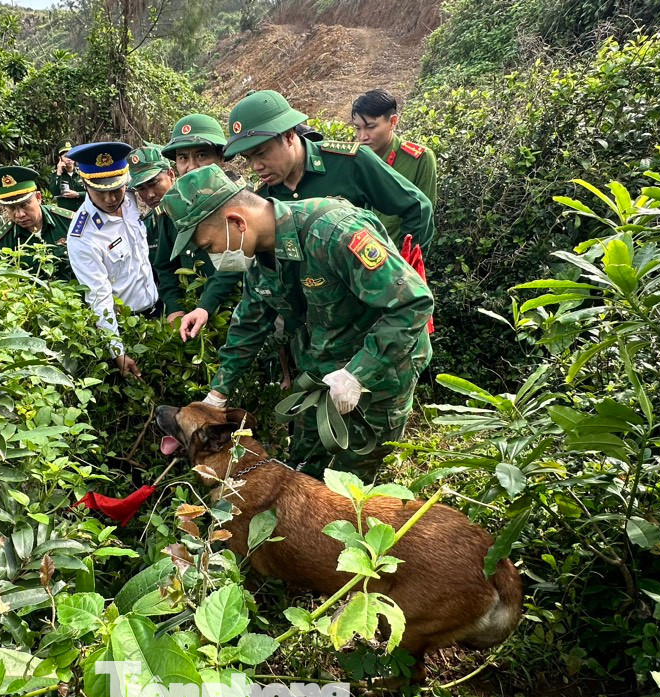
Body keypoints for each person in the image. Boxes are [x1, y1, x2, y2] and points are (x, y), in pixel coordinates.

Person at [160, 165, 433, 481]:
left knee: (349, 483)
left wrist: (357, 374)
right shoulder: (257, 254)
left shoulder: (334, 232)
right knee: (302, 470)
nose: (214, 256)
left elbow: (413, 303)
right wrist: (219, 392)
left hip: (379, 376)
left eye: (210, 246)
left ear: (237, 222)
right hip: (320, 373)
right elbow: (250, 322)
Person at [223, 90, 436, 273]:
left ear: (288, 136)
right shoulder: (263, 199)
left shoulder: (348, 163)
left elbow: (417, 207)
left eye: (262, 153)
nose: (256, 166)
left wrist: (402, 272)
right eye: (248, 158)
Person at [132, 141, 245, 342]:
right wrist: (175, 308)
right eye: (183, 158)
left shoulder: (239, 202)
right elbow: (165, 266)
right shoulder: (167, 214)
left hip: (238, 309)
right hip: (196, 313)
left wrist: (205, 305)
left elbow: (236, 259)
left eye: (202, 156)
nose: (191, 167)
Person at [65, 141, 159, 378]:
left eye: (116, 189)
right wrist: (118, 350)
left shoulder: (131, 199)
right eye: (100, 192)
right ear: (85, 185)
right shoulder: (82, 236)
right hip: (127, 328)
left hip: (159, 310)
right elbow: (98, 296)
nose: (110, 199)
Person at [350, 89, 438, 245]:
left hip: (398, 256)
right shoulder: (355, 159)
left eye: (370, 127)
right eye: (358, 128)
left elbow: (422, 218)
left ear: (393, 122)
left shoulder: (419, 159)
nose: (363, 137)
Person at [0, 165, 75, 279]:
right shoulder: (5, 240)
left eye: (24, 205)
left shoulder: (68, 222)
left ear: (38, 197)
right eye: (11, 208)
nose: (19, 214)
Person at [50, 140, 84, 212]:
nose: (69, 159)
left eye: (71, 155)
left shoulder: (82, 173)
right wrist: (58, 173)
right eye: (66, 156)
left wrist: (78, 194)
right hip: (65, 214)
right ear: (60, 158)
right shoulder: (55, 175)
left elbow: (92, 193)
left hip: (83, 212)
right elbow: (54, 193)